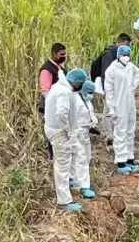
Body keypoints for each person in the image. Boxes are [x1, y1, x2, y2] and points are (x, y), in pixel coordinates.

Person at [44, 68, 87, 211]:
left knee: (65, 162)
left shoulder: (58, 86)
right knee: (62, 165)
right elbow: (61, 114)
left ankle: (67, 187)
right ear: (75, 82)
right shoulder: (64, 92)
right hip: (59, 132)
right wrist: (68, 131)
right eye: (80, 84)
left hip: (54, 129)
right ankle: (64, 201)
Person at [104, 45, 139, 175]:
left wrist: (132, 86)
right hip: (118, 103)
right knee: (120, 131)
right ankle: (120, 160)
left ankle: (129, 157)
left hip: (129, 102)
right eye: (124, 54)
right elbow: (109, 90)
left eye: (128, 54)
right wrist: (111, 107)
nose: (126, 56)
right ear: (118, 55)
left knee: (130, 130)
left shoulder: (130, 67)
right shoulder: (112, 69)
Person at [70, 80, 99, 199]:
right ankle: (83, 186)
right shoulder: (75, 100)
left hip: (85, 132)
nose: (90, 95)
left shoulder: (86, 100)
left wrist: (93, 122)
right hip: (77, 132)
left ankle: (74, 178)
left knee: (86, 157)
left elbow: (89, 113)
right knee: (80, 158)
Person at [37, 43, 68, 120]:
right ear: (54, 53)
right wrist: (55, 104)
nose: (63, 57)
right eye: (61, 54)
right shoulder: (46, 70)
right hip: (49, 109)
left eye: (64, 54)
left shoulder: (59, 67)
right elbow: (45, 91)